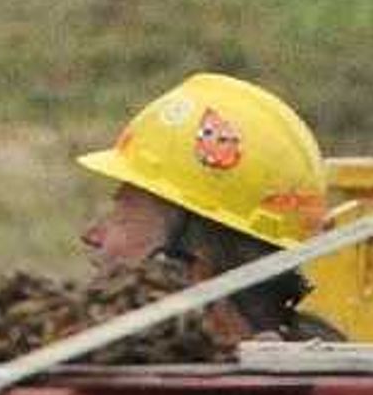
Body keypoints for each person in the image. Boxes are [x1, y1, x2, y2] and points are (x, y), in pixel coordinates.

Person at [77, 72, 342, 340]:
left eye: (123, 216)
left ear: (196, 270)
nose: (91, 236)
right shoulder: (330, 369)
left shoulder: (131, 379)